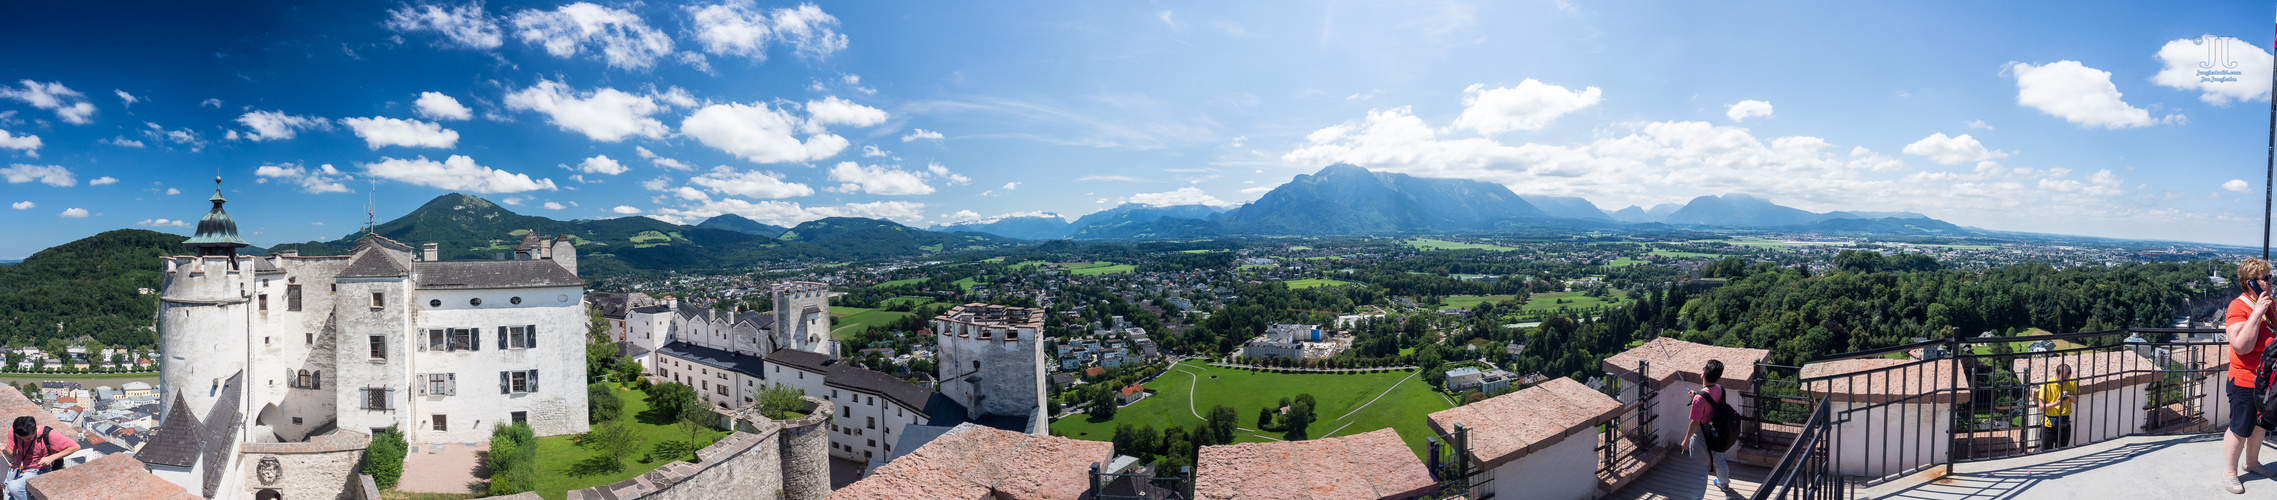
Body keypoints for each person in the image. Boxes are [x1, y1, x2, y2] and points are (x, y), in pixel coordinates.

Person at [2226, 258, 2277, 494]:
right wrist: (2257, 312)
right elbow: (2241, 346)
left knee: (2259, 426)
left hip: (2267, 381)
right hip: (2245, 380)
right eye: (2264, 278)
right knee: (2240, 428)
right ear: (2251, 283)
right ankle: (2230, 473)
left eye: (2270, 276)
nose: (2270, 280)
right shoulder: (2238, 307)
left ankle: (2252, 463)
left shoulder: (2270, 303)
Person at [1680, 359, 1732, 491]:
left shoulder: (1699, 399)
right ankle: (1724, 484)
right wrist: (1696, 397)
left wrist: (1686, 440)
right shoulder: (1720, 389)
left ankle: (1696, 494)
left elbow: (1695, 422)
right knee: (1719, 458)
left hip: (1702, 433)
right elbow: (1711, 401)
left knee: (1700, 464)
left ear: (1703, 374)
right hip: (1717, 430)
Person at [2, 415, 78, 499]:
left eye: (28, 439)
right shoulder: (13, 431)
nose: (25, 441)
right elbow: (12, 454)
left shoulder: (48, 434)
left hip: (39, 469)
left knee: (14, 487)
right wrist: (4, 449)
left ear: (36, 428)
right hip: (18, 468)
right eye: (21, 438)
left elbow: (75, 447)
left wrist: (51, 458)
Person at [2037, 363, 2076, 451]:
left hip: (2065, 423)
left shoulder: (2072, 382)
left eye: (2066, 380)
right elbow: (2041, 407)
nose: (2064, 383)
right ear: (2056, 374)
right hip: (2049, 425)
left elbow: (2076, 401)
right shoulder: (2046, 385)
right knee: (2046, 453)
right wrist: (2057, 403)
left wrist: (2070, 395)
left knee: (2062, 452)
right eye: (2061, 380)